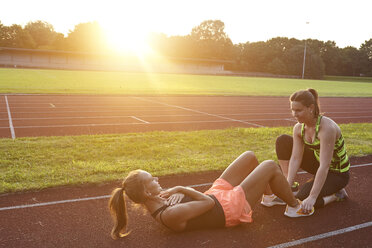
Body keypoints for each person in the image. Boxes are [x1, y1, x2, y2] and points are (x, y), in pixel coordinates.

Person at [108, 151, 313, 239]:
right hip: (227, 209)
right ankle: (295, 206)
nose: (157, 179)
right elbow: (206, 203)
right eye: (152, 179)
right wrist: (181, 188)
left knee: (250, 157)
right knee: (269, 165)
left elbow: (199, 200)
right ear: (145, 191)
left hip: (216, 197)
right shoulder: (168, 215)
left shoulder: (157, 199)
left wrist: (182, 194)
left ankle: (268, 197)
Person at [262, 88, 349, 213]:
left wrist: (312, 197)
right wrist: (287, 184)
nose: (294, 114)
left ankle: (336, 195)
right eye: (292, 110)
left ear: (311, 108)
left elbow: (325, 166)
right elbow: (296, 158)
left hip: (337, 173)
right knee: (283, 141)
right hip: (318, 164)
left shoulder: (327, 128)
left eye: (298, 110)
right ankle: (292, 186)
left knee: (302, 200)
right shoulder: (299, 128)